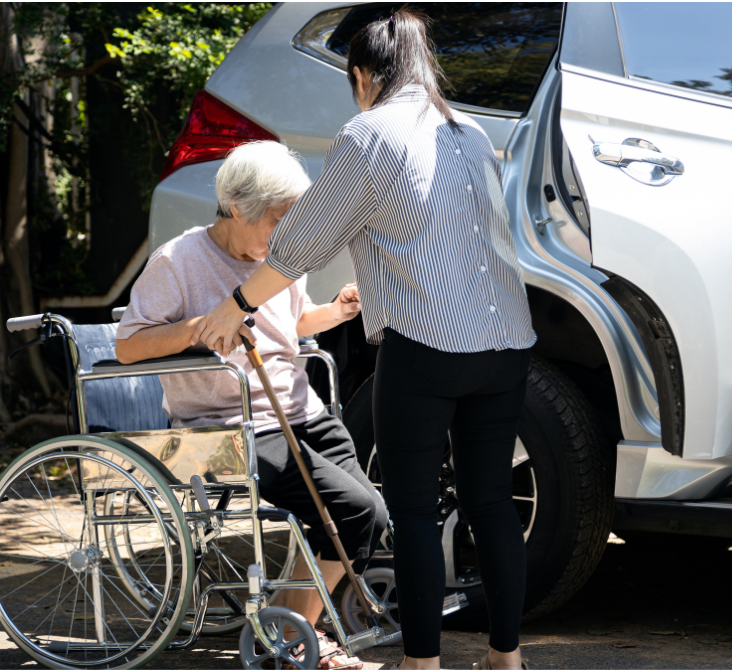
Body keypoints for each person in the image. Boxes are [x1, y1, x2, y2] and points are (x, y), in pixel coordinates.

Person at [192, 8, 536, 670]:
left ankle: (422, 664)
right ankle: (506, 659)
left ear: (362, 76)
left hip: (427, 347)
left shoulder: (367, 134)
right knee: (490, 502)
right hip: (505, 344)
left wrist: (238, 303)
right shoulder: (469, 132)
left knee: (411, 513)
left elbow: (300, 242)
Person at [116, 140, 387, 670]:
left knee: (369, 512)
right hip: (224, 430)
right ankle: (294, 632)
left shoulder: (280, 258)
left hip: (300, 412)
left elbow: (287, 327)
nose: (285, 236)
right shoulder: (177, 261)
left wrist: (333, 312)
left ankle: (293, 621)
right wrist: (200, 327)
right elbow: (128, 345)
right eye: (277, 221)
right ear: (237, 208)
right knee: (354, 511)